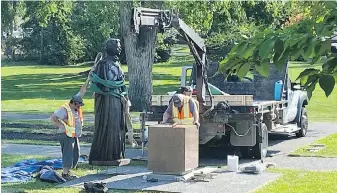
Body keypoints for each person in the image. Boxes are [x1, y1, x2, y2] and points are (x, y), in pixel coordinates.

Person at [50, 81, 89, 181]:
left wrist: (89, 78)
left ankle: (68, 172)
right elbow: (53, 118)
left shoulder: (76, 104)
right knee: (68, 154)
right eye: (77, 105)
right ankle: (65, 174)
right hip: (65, 135)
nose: (78, 107)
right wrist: (62, 126)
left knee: (76, 153)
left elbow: (82, 91)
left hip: (73, 135)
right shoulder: (64, 109)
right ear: (72, 102)